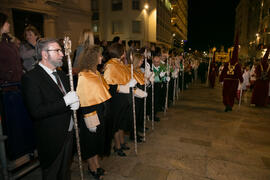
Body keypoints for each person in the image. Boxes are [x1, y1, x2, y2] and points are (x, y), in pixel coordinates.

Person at [21, 38, 80, 180]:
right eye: (57, 51)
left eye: (61, 50)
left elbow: (67, 97)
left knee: (65, 172)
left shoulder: (60, 74)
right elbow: (36, 111)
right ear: (45, 54)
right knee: (52, 173)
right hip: (51, 136)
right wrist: (65, 102)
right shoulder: (31, 77)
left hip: (68, 131)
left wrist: (75, 104)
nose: (62, 54)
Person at [76, 45, 112, 180]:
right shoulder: (84, 76)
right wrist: (90, 121)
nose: (101, 58)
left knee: (97, 141)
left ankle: (96, 164)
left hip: (100, 112)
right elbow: (85, 100)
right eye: (99, 55)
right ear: (92, 58)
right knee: (90, 143)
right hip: (91, 114)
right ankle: (92, 167)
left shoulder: (95, 73)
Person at [103, 43, 136, 156]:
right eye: (124, 51)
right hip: (117, 99)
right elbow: (108, 84)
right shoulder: (111, 65)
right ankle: (117, 146)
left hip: (123, 97)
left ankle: (121, 142)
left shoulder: (120, 63)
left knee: (122, 121)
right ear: (121, 53)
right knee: (116, 124)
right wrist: (125, 86)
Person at [219, 35, 243, 112]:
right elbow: (239, 74)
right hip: (234, 82)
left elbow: (223, 72)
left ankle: (227, 104)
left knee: (225, 93)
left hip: (226, 80)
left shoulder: (227, 64)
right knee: (232, 94)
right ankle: (229, 105)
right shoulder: (238, 65)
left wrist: (221, 79)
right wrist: (241, 80)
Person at [0, 12, 23, 86]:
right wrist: (7, 76)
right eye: (7, 22)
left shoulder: (9, 40)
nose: (9, 24)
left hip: (17, 82)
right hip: (5, 85)